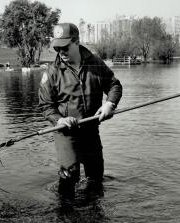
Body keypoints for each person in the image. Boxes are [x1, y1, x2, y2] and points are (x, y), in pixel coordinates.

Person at [38, 23, 122, 197]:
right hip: (65, 133)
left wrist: (110, 104)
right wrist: (59, 120)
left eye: (65, 47)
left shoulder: (96, 63)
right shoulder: (52, 72)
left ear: (76, 42)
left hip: (91, 130)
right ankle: (65, 213)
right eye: (57, 48)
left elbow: (114, 85)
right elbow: (46, 105)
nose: (61, 52)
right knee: (69, 176)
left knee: (96, 176)